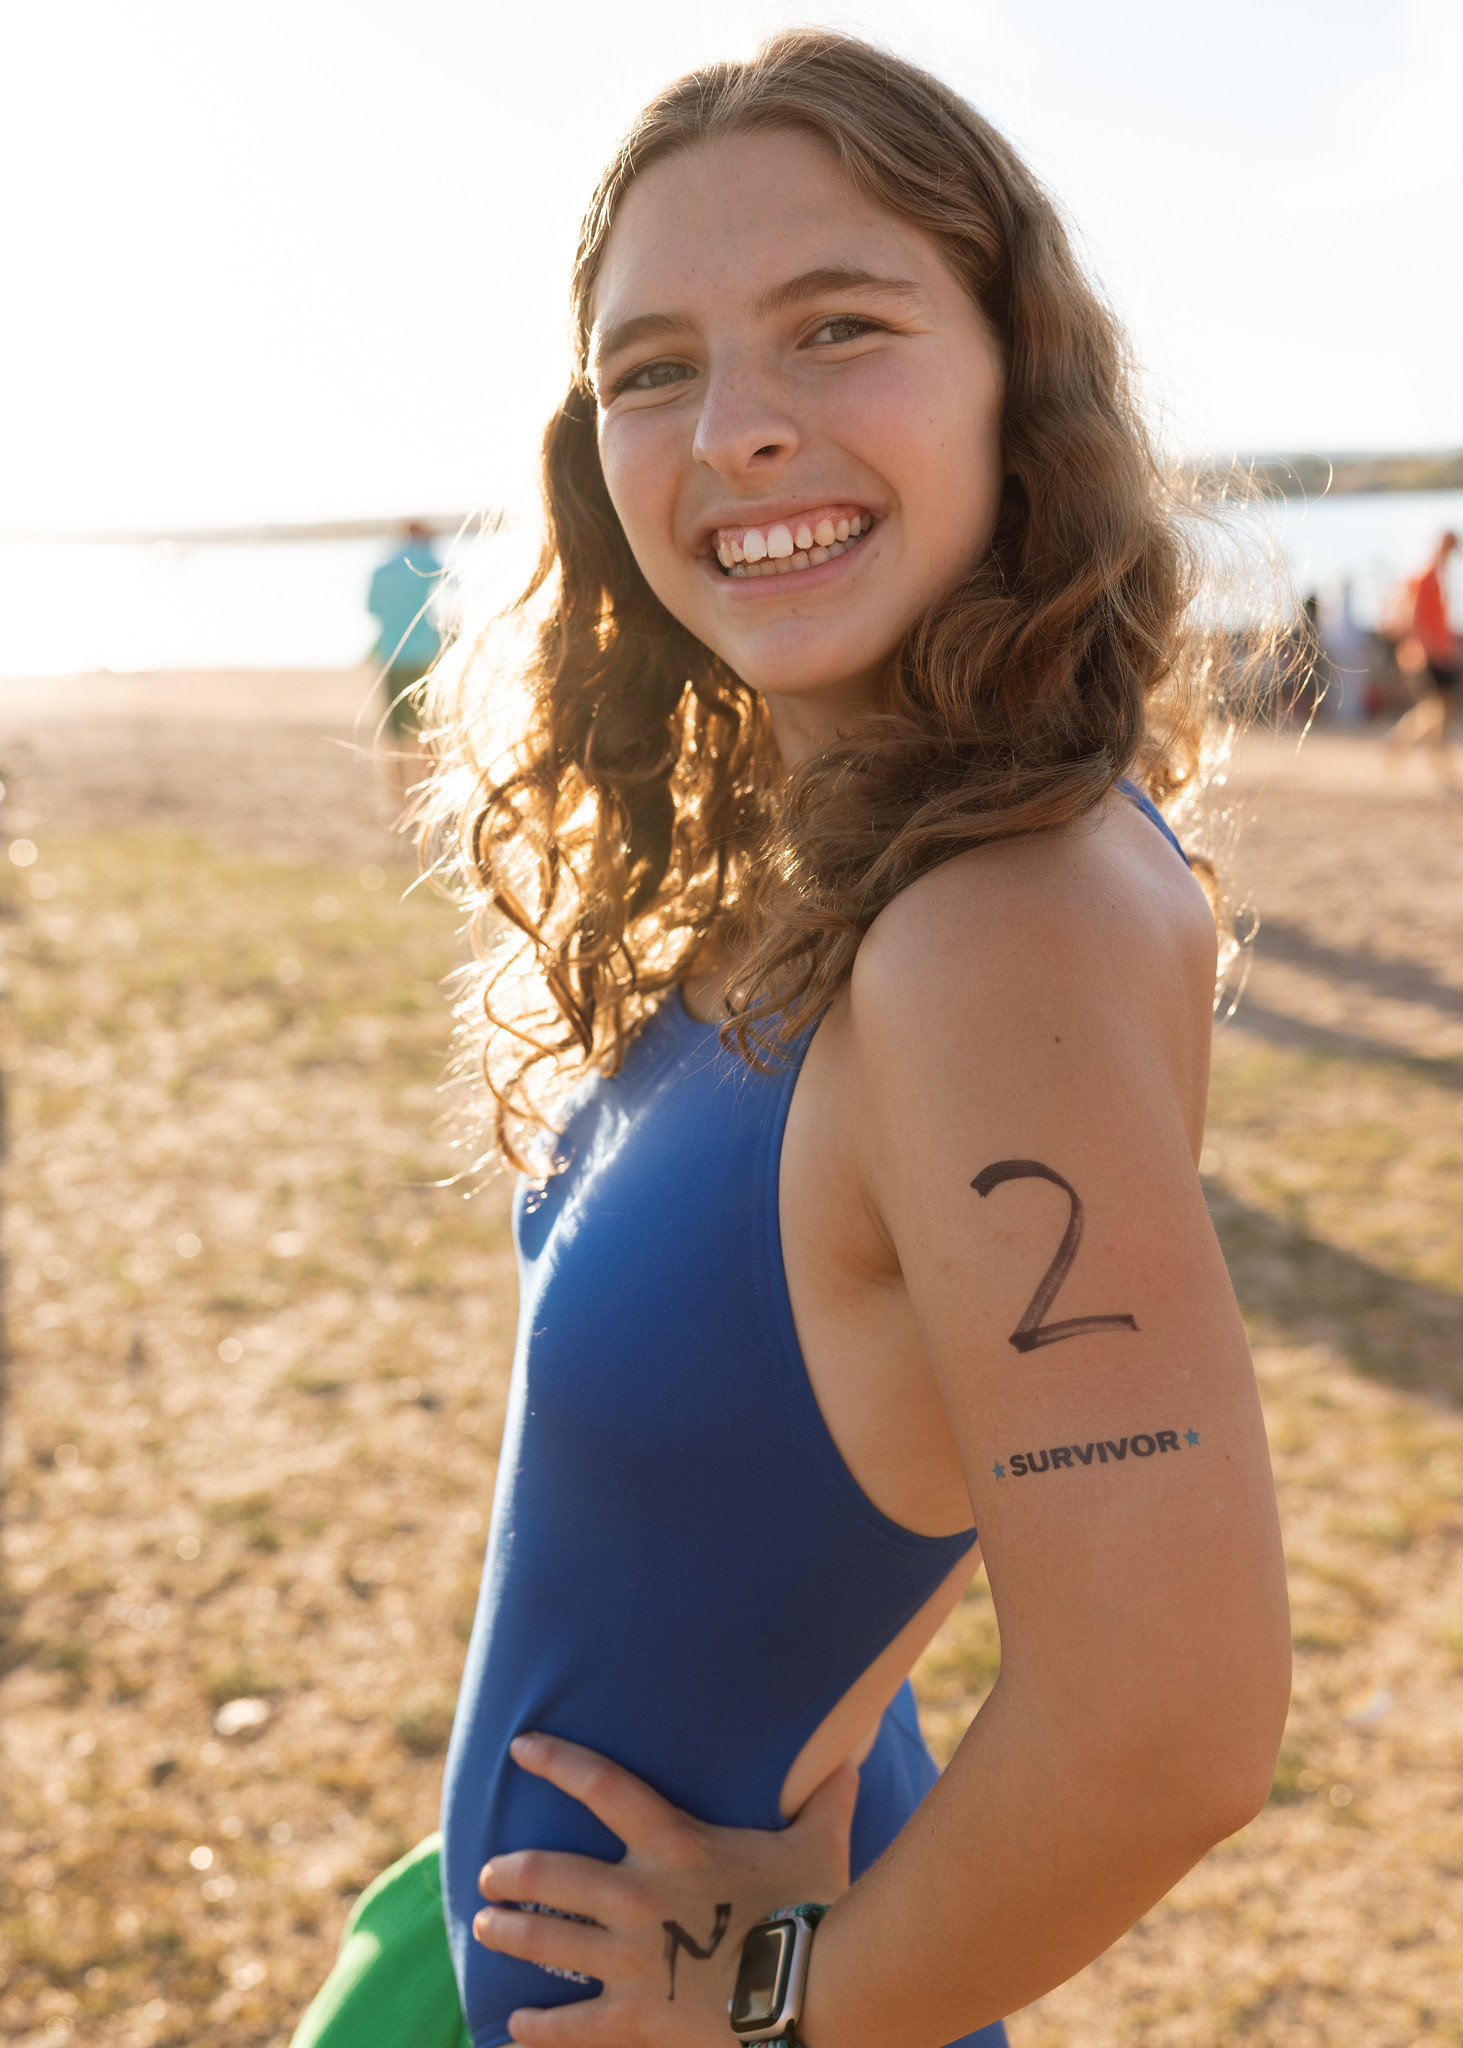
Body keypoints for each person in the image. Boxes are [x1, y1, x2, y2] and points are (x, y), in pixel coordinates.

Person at [293, 31, 1290, 2048]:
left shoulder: (990, 928)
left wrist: (779, 1993)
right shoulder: (855, 856)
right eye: (651, 368)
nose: (736, 430)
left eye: (836, 327)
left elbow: (1165, 1725)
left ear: (1013, 371)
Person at [368, 521, 444, 798]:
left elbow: (371, 608)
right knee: (429, 724)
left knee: (396, 728)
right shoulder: (427, 560)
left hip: (391, 653)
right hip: (425, 653)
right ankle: (433, 790)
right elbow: (455, 591)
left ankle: (400, 795)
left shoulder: (382, 568)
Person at [1385, 531, 1459, 785]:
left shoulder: (1435, 576)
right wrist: (1431, 650)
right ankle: (1413, 750)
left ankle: (1401, 744)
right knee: (1435, 709)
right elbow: (1415, 618)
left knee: (1436, 710)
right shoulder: (1428, 576)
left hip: (1436, 651)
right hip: (1428, 654)